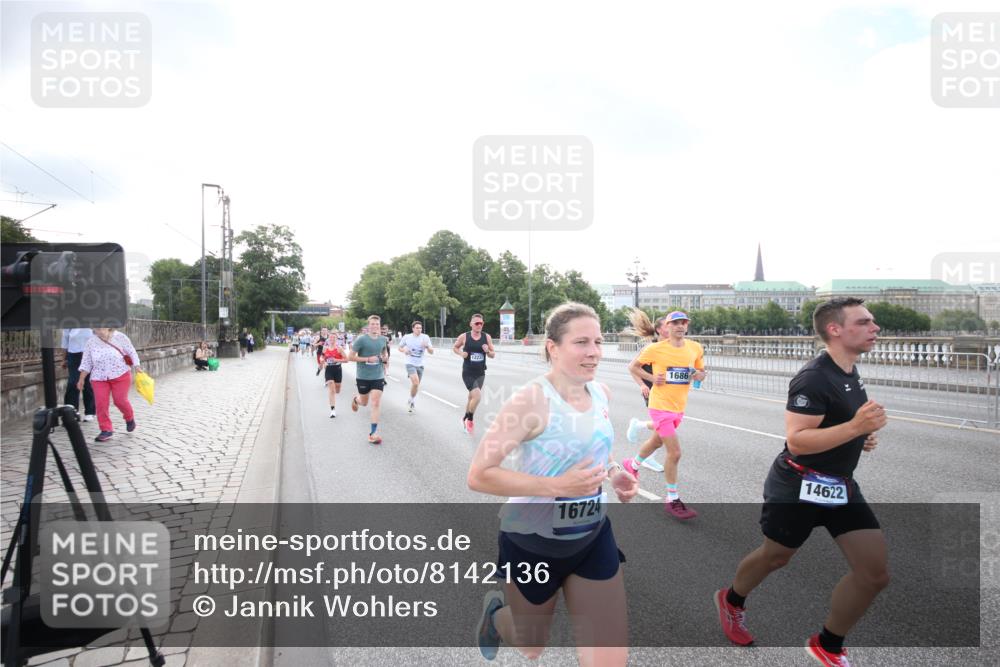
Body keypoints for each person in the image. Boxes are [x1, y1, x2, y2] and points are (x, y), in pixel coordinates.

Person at [715, 297, 888, 666]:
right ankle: (731, 600)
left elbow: (833, 426)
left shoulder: (849, 371)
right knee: (776, 557)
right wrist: (857, 427)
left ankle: (828, 644)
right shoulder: (814, 377)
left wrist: (859, 436)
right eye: (864, 322)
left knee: (874, 573)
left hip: (840, 485)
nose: (875, 328)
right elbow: (798, 440)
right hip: (798, 484)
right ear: (835, 329)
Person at [467, 303, 638, 666]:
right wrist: (557, 485)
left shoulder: (601, 393)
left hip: (591, 537)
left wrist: (612, 473)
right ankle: (496, 617)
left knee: (609, 659)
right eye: (581, 342)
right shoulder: (531, 400)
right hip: (531, 541)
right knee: (530, 646)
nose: (594, 352)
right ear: (553, 347)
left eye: (598, 341)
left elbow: (592, 451)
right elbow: (479, 474)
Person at [620, 310, 706, 520]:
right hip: (659, 405)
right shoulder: (655, 349)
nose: (679, 326)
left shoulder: (695, 348)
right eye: (674, 323)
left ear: (687, 326)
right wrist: (650, 378)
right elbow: (633, 367)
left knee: (657, 442)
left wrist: (699, 375)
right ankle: (672, 499)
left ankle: (632, 464)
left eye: (683, 323)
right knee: (674, 452)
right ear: (667, 327)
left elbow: (700, 373)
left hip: (678, 406)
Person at [76, 327, 142, 443]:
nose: (100, 331)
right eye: (96, 329)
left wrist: (137, 366)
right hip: (99, 377)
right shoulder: (91, 342)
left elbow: (131, 352)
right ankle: (106, 429)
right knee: (101, 403)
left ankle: (129, 418)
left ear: (109, 326)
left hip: (120, 374)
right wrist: (81, 379)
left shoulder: (120, 337)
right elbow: (87, 361)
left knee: (120, 400)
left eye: (102, 328)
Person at [348, 315, 389, 444]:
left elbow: (384, 353)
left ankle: (373, 433)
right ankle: (356, 400)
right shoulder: (361, 340)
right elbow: (350, 357)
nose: (375, 326)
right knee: (364, 403)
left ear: (379, 326)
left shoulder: (383, 339)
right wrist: (367, 359)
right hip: (363, 376)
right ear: (368, 325)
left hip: (378, 375)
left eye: (377, 324)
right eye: (372, 324)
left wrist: (384, 357)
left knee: (375, 402)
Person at [452, 313, 495, 435]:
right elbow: (455, 347)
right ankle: (470, 420)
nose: (479, 325)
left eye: (481, 323)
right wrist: (461, 354)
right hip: (468, 372)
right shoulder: (464, 336)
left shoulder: (486, 337)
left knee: (471, 398)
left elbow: (493, 355)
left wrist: (488, 351)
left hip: (480, 372)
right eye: (476, 323)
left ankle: (465, 417)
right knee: (477, 396)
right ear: (471, 324)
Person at [399, 321, 434, 413]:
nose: (419, 329)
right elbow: (400, 347)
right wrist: (404, 350)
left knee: (416, 385)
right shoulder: (407, 337)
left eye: (420, 328)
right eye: (417, 328)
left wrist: (427, 346)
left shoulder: (425, 337)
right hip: (410, 362)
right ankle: (411, 401)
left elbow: (431, 351)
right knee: (415, 383)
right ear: (413, 329)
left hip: (420, 364)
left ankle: (411, 400)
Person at [62, 327, 96, 422]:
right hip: (73, 353)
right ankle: (71, 412)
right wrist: (64, 358)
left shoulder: (91, 317)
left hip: (90, 352)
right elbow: (65, 338)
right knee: (73, 382)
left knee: (88, 383)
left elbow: (99, 333)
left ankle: (90, 412)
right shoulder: (68, 318)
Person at [322, 335, 348, 418]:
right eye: (330, 338)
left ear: (336, 339)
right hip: (329, 370)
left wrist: (336, 360)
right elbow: (323, 358)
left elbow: (346, 359)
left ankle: (337, 388)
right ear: (328, 339)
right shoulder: (325, 348)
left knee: (337, 390)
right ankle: (332, 410)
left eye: (334, 338)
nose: (332, 339)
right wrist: (324, 362)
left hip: (337, 369)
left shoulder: (339, 348)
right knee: (332, 390)